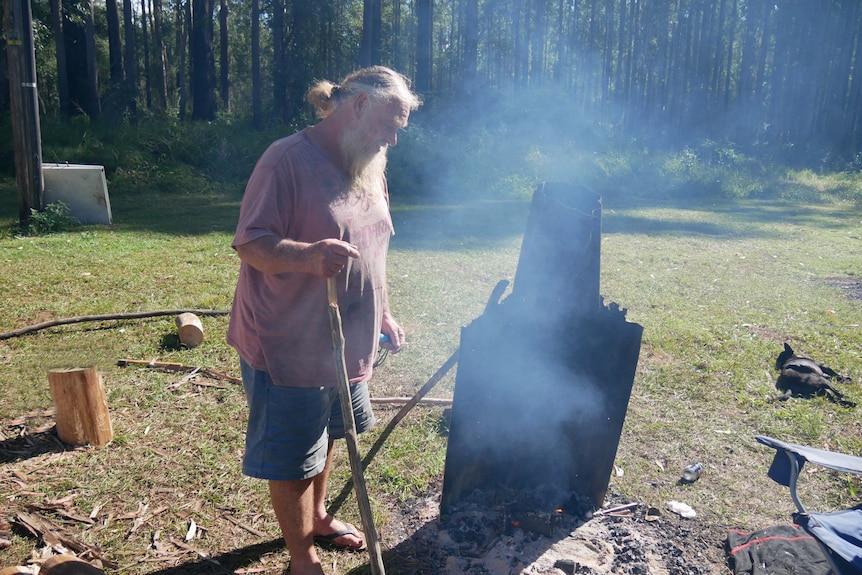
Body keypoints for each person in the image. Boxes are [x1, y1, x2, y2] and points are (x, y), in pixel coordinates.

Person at [227, 66, 421, 575]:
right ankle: (301, 557)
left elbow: (373, 246)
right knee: (293, 455)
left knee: (333, 431)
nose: (394, 138)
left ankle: (316, 517)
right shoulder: (286, 160)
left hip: (347, 342)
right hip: (287, 340)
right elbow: (251, 241)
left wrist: (384, 311)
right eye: (389, 123)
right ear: (357, 107)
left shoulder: (369, 163)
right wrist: (306, 256)